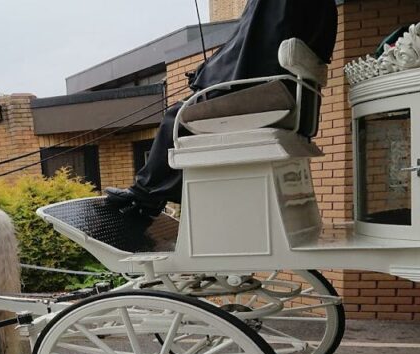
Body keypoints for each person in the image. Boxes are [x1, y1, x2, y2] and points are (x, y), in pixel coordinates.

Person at [104, 0, 338, 218]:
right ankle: (157, 195)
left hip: (271, 93)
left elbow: (251, 51)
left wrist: (207, 75)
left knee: (176, 117)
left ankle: (146, 196)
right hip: (295, 96)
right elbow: (249, 48)